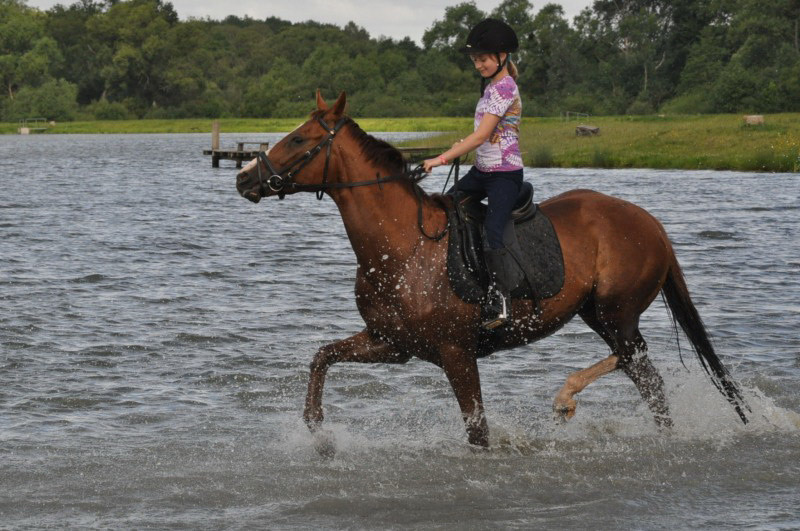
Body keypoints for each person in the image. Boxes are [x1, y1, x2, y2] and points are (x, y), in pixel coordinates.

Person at [423, 18, 523, 330]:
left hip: (505, 176)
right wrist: (460, 146)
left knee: (494, 231)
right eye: (475, 60)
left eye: (482, 59)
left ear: (502, 57)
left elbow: (481, 137)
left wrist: (441, 159)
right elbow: (480, 136)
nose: (478, 64)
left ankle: (500, 300)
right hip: (482, 172)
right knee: (445, 209)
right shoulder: (490, 87)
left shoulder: (505, 88)